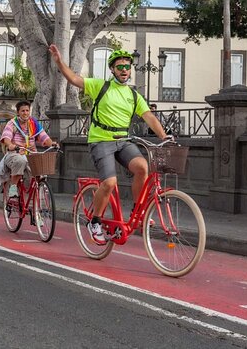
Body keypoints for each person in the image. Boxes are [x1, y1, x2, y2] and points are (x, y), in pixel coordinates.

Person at [49, 44, 170, 245]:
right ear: (112, 69)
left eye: (127, 67)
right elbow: (74, 79)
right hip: (101, 140)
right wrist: (60, 62)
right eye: (120, 66)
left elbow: (149, 116)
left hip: (123, 141)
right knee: (110, 183)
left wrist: (164, 136)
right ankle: (95, 221)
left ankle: (138, 212)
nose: (124, 70)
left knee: (142, 168)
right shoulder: (101, 86)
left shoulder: (134, 95)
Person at [0, 100, 56, 199]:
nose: (25, 113)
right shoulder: (12, 123)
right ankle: (13, 187)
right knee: (20, 160)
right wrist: (10, 145)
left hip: (31, 153)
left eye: (27, 110)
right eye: (23, 111)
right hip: (15, 153)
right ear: (18, 112)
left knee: (42, 167)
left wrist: (52, 143)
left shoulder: (33, 123)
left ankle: (39, 194)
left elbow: (44, 137)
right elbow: (6, 138)